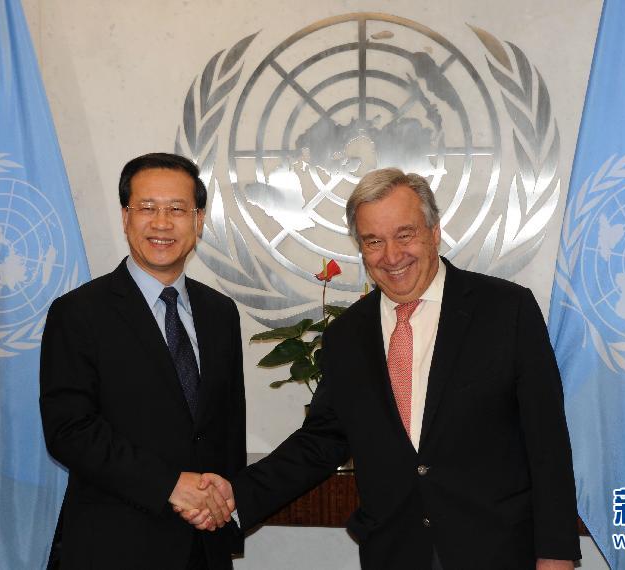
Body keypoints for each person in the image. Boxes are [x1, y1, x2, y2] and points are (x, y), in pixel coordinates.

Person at [185, 168, 581, 569]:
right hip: (395, 553)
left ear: (434, 232)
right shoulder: (347, 336)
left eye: (404, 235)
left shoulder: (506, 310)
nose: (391, 256)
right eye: (374, 241)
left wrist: (557, 554)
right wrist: (237, 496)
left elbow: (547, 441)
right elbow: (321, 442)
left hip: (499, 552)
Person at [40, 153, 243, 569]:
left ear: (199, 221)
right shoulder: (78, 313)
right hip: (115, 547)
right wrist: (169, 485)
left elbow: (227, 427)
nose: (162, 223)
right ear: (125, 217)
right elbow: (69, 430)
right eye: (147, 208)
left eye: (177, 210)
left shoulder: (220, 312)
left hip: (204, 546)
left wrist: (225, 509)